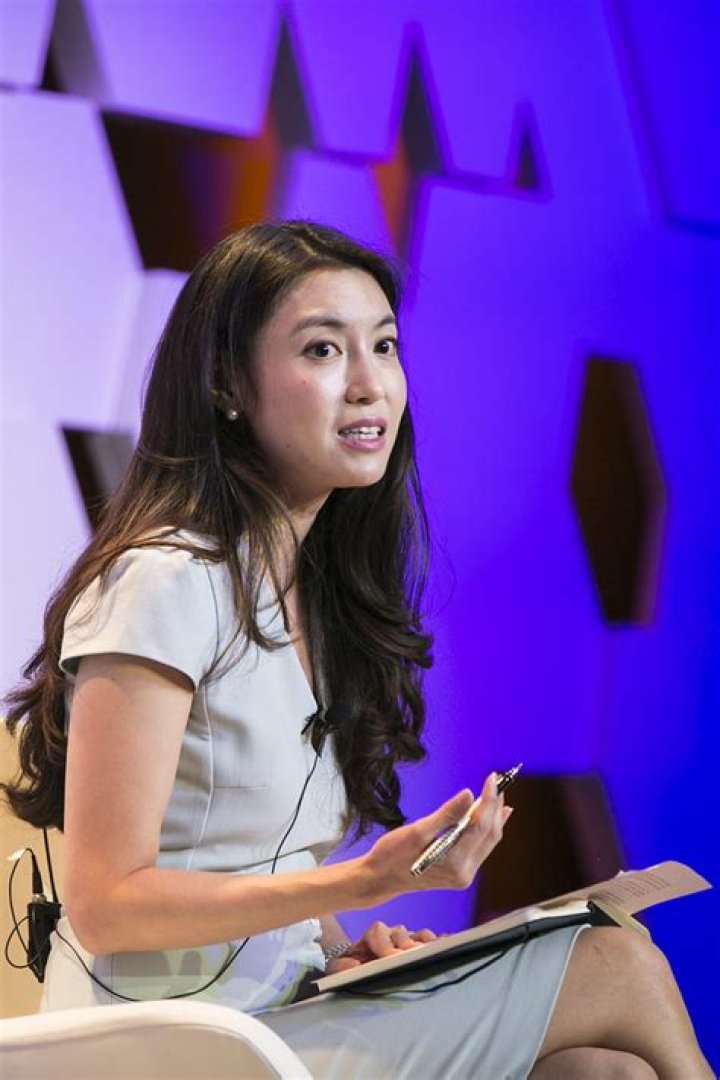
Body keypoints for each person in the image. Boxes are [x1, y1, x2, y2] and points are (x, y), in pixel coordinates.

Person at [3, 221, 711, 1078]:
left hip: (283, 1010)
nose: (371, 385)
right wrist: (365, 882)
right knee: (616, 963)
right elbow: (107, 903)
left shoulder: (322, 596)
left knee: (605, 1073)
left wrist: (347, 951)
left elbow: (269, 863)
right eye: (323, 350)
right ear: (227, 384)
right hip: (168, 1043)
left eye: (383, 345)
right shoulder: (163, 580)